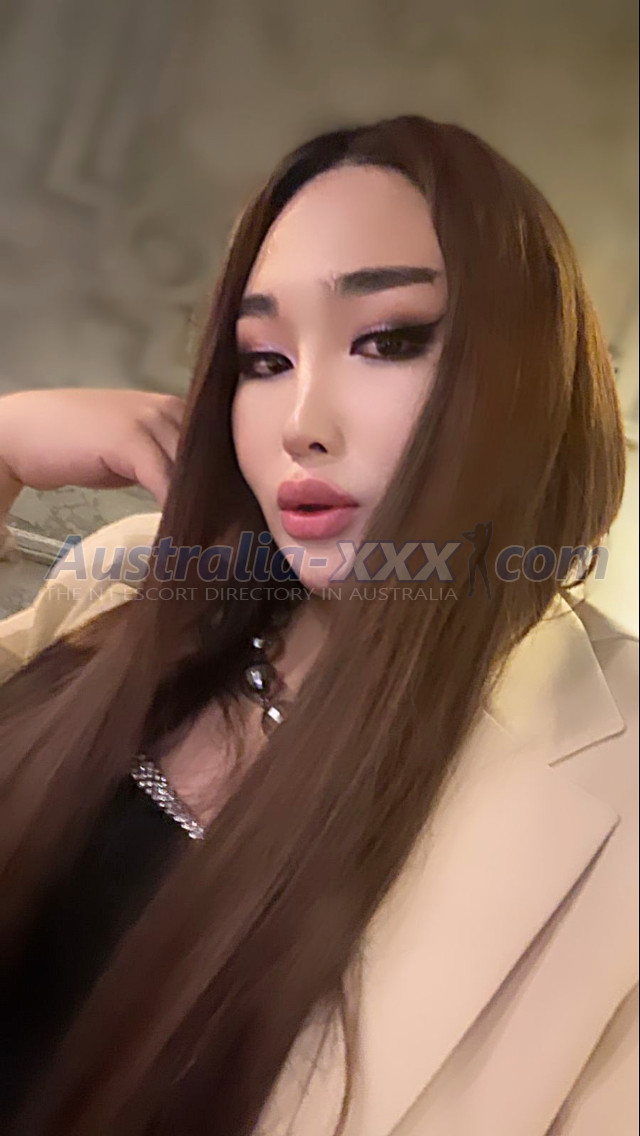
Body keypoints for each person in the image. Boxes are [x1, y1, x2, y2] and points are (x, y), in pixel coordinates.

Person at [0, 114, 637, 1136]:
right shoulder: (129, 584)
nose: (301, 421)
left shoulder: (615, 774)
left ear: (531, 376)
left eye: (389, 340)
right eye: (262, 359)